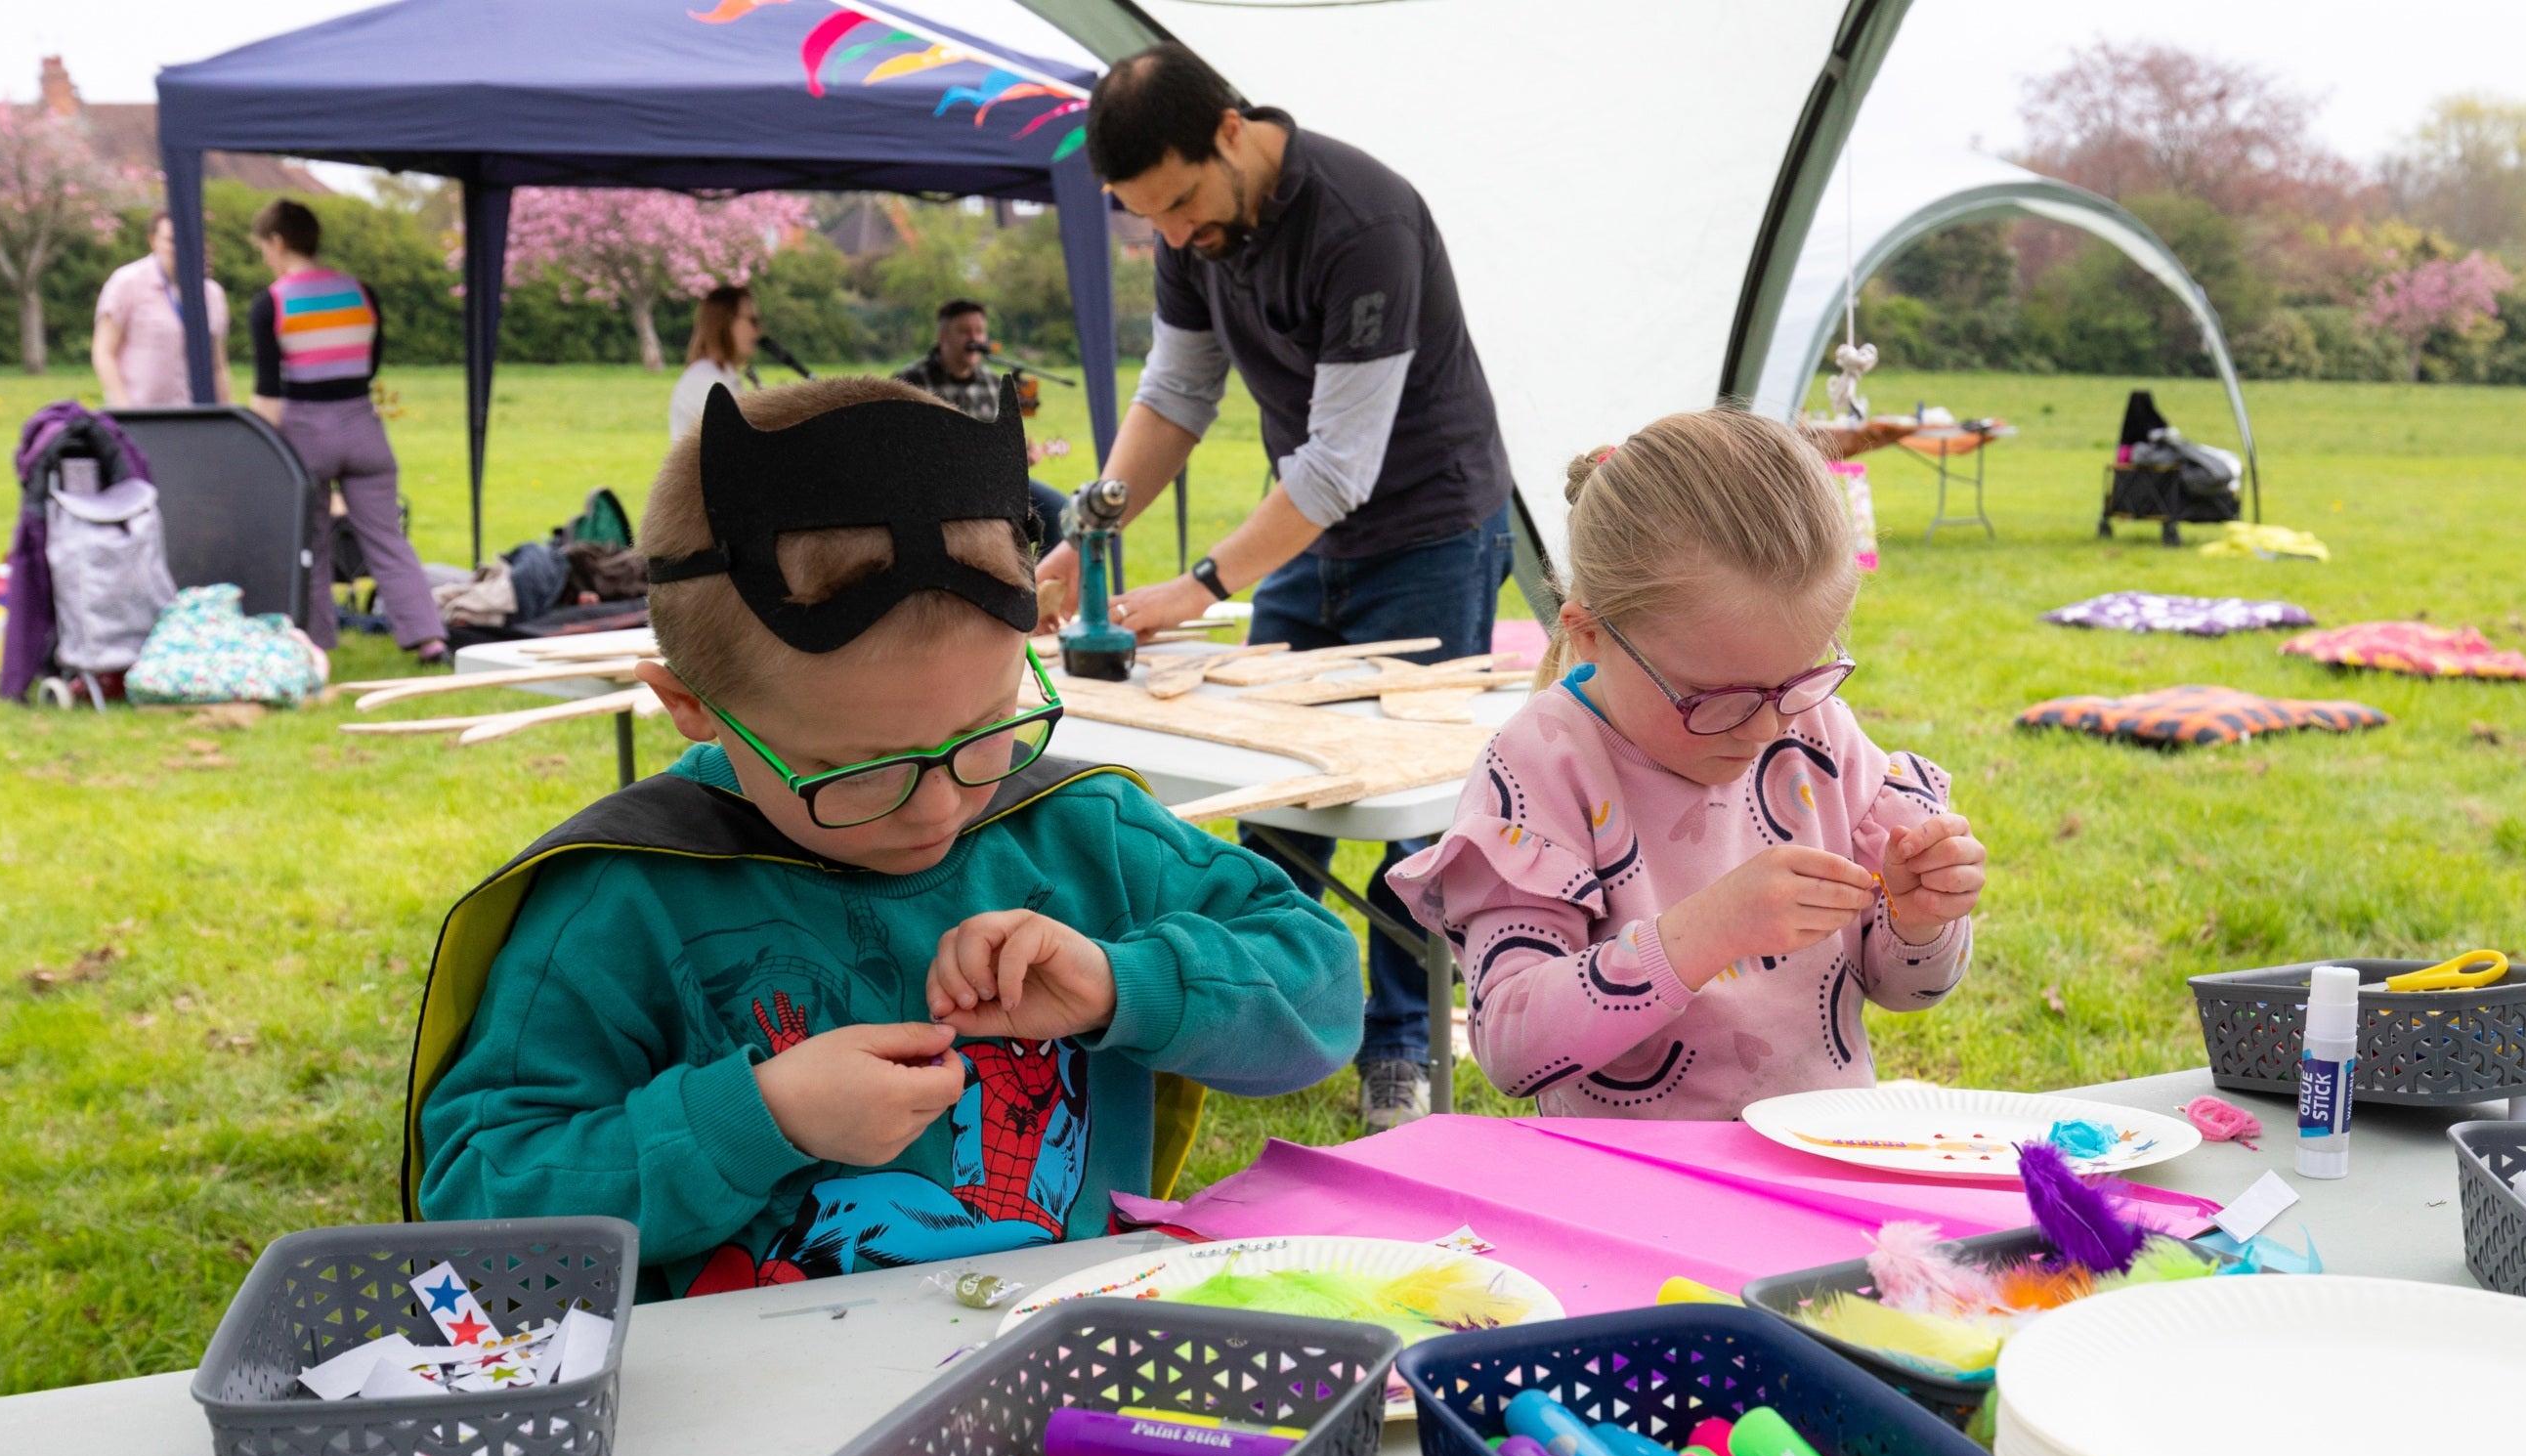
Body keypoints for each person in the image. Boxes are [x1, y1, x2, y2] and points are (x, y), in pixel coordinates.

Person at [407, 375, 1361, 1302]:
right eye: (858, 770)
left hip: (1061, 1371)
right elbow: (476, 1217)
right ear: (692, 706)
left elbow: (1321, 994)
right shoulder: (623, 901)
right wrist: (760, 1118)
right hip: (752, 1426)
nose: (940, 807)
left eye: (986, 731)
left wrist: (1123, 983)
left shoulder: (1080, 834)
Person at [1046, 43, 1516, 1132]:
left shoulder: (1365, 221)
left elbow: (1343, 462)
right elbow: (1176, 393)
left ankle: (1399, 1052)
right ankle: (1270, 1028)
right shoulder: (1192, 228)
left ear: (1226, 130)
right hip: (1305, 529)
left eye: (1177, 204)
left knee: (1412, 819)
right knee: (1280, 798)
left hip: (1430, 530)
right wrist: (1088, 536)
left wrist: (1201, 585)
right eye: (1144, 217)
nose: (1171, 235)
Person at [1386, 409, 1989, 1119]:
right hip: (1632, 1189)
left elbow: (1906, 990)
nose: (1766, 727)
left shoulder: (1817, 734)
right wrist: (1703, 934)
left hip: (1819, 1161)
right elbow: (1511, 1046)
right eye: (1713, 697)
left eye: (1796, 679)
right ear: (1591, 638)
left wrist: (1919, 921)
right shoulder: (1542, 766)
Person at [245, 199, 446, 664]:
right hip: (363, 431)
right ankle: (427, 637)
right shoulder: (361, 293)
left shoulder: (272, 302)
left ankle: (318, 642)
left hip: (305, 434)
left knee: (310, 544)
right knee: (386, 538)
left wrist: (261, 454)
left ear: (277, 243)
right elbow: (369, 366)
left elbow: (268, 394)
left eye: (263, 249)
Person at [892, 298, 1072, 547]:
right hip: (931, 490)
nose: (974, 338)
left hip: (989, 484)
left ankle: (1041, 583)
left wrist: (1018, 459)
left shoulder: (993, 383)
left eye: (979, 331)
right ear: (943, 335)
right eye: (965, 331)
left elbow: (999, 443)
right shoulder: (909, 382)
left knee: (1059, 510)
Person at [91, 211, 232, 408]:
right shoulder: (127, 282)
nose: (181, 248)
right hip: (142, 417)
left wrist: (224, 415)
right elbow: (103, 351)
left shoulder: (212, 294)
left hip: (197, 417)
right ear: (153, 241)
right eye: (172, 241)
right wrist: (124, 407)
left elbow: (217, 365)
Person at [669, 285, 760, 442]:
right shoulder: (707, 380)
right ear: (725, 322)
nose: (758, 330)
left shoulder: (717, 375)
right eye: (752, 321)